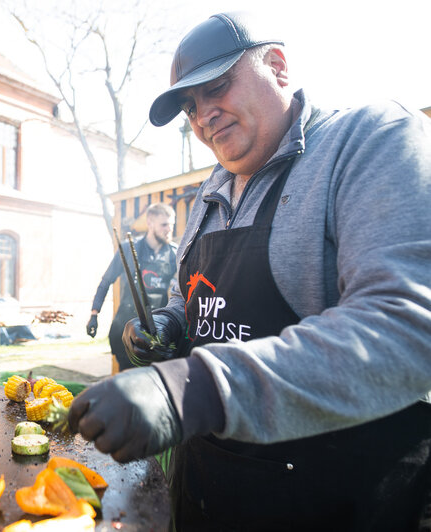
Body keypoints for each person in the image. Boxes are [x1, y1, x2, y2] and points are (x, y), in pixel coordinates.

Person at [69, 11, 431, 530]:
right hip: (208, 492)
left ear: (278, 68)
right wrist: (169, 327)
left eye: (216, 87)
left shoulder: (372, 140)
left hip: (336, 501)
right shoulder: (209, 193)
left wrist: (191, 391)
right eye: (190, 107)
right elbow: (188, 296)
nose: (202, 116)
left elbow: (408, 329)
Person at [86, 203, 178, 371]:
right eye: (164, 224)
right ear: (150, 223)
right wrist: (94, 313)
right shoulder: (129, 249)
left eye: (172, 224)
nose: (169, 229)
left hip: (156, 329)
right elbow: (106, 281)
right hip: (127, 325)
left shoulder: (174, 253)